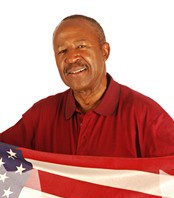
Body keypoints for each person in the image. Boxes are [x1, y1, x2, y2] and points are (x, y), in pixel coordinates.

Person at [0, 14, 174, 157]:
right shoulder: (41, 116)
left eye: (81, 46)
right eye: (62, 51)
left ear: (104, 51)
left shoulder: (146, 115)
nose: (71, 58)